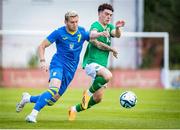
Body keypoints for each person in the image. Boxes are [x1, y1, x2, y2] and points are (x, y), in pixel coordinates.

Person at [16, 10, 111, 123]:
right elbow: (42, 45)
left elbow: (91, 36)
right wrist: (42, 61)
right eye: (72, 22)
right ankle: (33, 115)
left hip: (70, 70)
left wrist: (103, 37)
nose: (75, 24)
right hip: (58, 64)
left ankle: (27, 98)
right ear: (65, 22)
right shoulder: (59, 33)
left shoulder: (81, 31)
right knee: (54, 88)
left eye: (76, 21)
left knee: (51, 100)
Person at [68, 3, 125, 121]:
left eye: (110, 15)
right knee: (108, 75)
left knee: (98, 98)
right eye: (106, 14)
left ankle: (73, 109)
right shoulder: (96, 25)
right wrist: (110, 47)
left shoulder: (109, 27)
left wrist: (118, 28)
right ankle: (87, 93)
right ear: (99, 14)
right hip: (92, 63)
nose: (109, 17)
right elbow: (93, 36)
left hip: (101, 66)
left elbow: (117, 35)